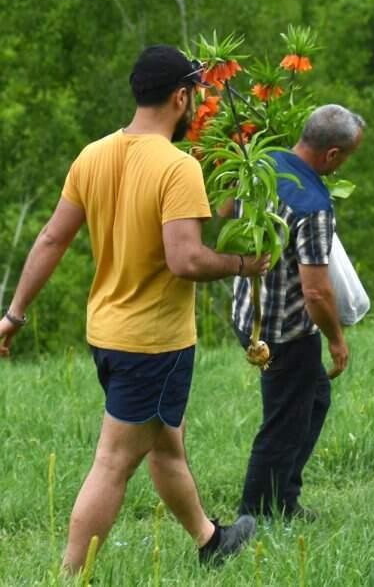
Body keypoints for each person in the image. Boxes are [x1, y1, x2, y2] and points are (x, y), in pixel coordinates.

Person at [0, 45, 270, 571]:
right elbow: (186, 259)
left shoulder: (93, 154)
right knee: (114, 462)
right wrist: (244, 264)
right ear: (181, 96)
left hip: (106, 332)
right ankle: (70, 575)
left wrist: (13, 315)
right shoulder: (177, 167)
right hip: (153, 342)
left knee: (166, 442)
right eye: (194, 94)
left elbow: (53, 238)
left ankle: (210, 540)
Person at [220, 104, 365, 518]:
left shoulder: (262, 162)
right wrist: (337, 339)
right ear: (332, 155)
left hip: (250, 311)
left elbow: (225, 211)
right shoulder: (314, 205)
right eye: (346, 157)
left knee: (313, 399)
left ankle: (284, 496)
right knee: (283, 421)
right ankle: (257, 513)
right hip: (286, 331)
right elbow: (316, 291)